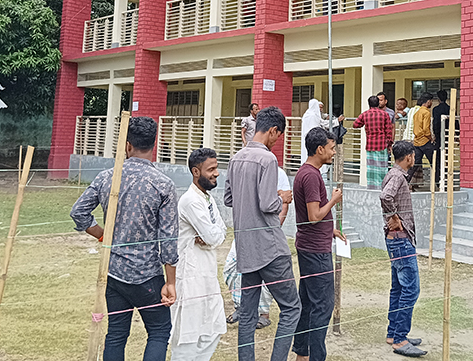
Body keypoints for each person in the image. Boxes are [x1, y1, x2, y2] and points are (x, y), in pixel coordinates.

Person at [69, 117, 177, 361]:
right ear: (154, 145)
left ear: (127, 145)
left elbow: (78, 212)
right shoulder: (163, 184)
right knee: (159, 331)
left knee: (116, 333)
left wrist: (102, 235)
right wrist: (171, 282)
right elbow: (169, 239)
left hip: (113, 272)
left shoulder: (107, 177)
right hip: (147, 274)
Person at [224, 106, 301, 361]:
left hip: (246, 247)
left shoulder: (235, 158)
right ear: (273, 130)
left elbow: (228, 198)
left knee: (247, 314)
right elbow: (268, 205)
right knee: (292, 308)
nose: (276, 141)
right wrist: (283, 197)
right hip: (270, 248)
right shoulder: (268, 159)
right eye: (278, 136)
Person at [292, 127, 346, 361]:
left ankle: (301, 352)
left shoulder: (306, 173)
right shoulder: (311, 175)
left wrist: (329, 228)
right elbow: (314, 215)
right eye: (332, 148)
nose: (334, 152)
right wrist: (333, 199)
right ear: (320, 149)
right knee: (322, 306)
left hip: (311, 245)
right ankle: (315, 356)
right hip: (315, 252)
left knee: (307, 302)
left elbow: (311, 217)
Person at [171, 148, 227, 361]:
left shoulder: (207, 199)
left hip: (208, 274)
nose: (217, 173)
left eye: (216, 168)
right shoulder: (190, 200)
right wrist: (212, 236)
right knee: (187, 338)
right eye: (211, 169)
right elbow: (213, 237)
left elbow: (220, 232)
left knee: (212, 330)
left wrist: (212, 236)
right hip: (190, 277)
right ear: (196, 172)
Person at [381, 141, 427, 357]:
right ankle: (399, 338)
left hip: (397, 239)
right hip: (400, 239)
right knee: (411, 289)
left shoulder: (395, 174)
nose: (414, 158)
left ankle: (394, 332)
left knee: (398, 288)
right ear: (408, 156)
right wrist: (394, 217)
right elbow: (385, 197)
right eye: (413, 155)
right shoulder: (398, 176)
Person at [354, 95, 395, 189]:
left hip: (370, 144)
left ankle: (372, 186)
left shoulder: (365, 114)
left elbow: (355, 124)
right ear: (378, 103)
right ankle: (382, 186)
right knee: (382, 167)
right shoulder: (385, 114)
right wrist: (389, 144)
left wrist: (364, 124)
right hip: (382, 144)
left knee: (371, 168)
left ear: (369, 104)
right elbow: (389, 131)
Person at [411, 95, 434, 187]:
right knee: (434, 162)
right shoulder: (426, 113)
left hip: (416, 141)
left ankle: (406, 181)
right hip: (425, 141)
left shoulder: (416, 113)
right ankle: (439, 182)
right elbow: (426, 129)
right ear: (428, 101)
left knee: (415, 164)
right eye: (431, 101)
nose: (431, 103)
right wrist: (430, 138)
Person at [301, 99, 325, 164]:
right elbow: (318, 126)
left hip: (306, 139)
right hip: (313, 139)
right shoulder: (313, 116)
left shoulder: (306, 114)